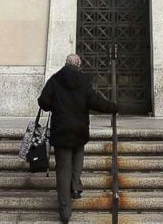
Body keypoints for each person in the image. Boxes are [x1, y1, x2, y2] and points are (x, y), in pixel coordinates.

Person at [38, 54, 116, 223]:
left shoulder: (55, 79)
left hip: (61, 130)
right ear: (79, 64)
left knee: (62, 169)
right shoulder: (83, 80)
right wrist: (114, 107)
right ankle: (75, 185)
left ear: (65, 64)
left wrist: (55, 105)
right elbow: (96, 102)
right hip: (79, 129)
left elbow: (43, 101)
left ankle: (65, 210)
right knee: (78, 156)